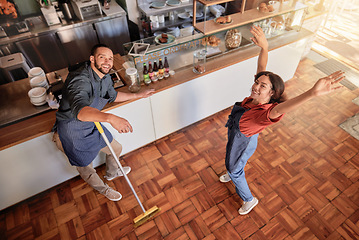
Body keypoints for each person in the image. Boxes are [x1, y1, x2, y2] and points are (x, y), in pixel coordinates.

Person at [219, 25, 344, 215]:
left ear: (272, 93)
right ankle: (232, 171)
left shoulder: (267, 112)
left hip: (243, 140)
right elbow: (262, 69)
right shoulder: (257, 96)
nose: (256, 87)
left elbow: (283, 108)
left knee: (234, 167)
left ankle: (249, 199)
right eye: (256, 82)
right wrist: (264, 48)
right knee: (233, 159)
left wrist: (311, 93)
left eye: (262, 86)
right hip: (242, 136)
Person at [53, 43, 155, 201]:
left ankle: (112, 173)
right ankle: (104, 189)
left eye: (110, 58)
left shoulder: (105, 76)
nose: (107, 62)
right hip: (72, 131)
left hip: (91, 123)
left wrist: (138, 95)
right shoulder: (79, 79)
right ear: (92, 59)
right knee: (86, 168)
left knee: (116, 148)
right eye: (102, 57)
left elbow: (112, 96)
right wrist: (111, 118)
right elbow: (80, 111)